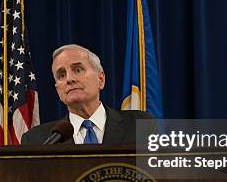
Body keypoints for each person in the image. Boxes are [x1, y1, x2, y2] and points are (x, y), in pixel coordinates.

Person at [20, 44, 153, 145]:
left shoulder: (139, 125)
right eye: (61, 75)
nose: (69, 79)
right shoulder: (37, 140)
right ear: (57, 89)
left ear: (101, 79)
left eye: (78, 69)